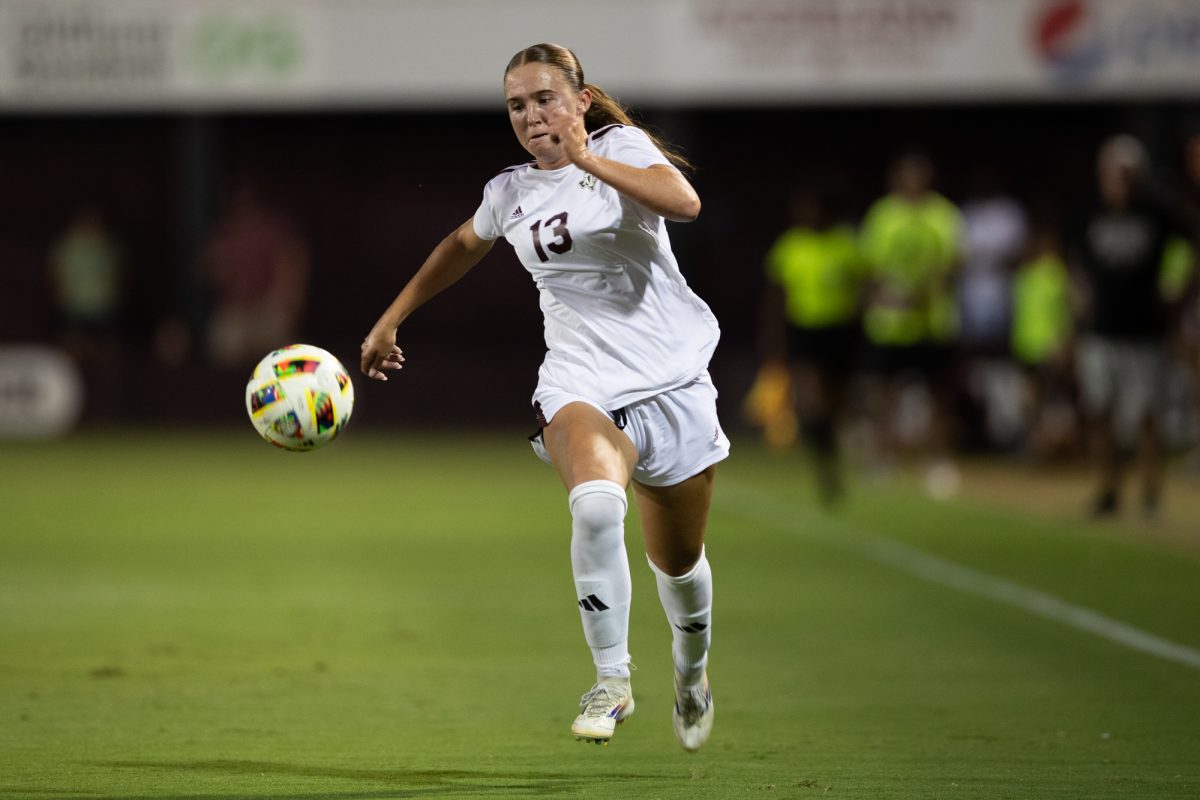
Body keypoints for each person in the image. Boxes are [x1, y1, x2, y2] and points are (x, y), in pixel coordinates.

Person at [360, 43, 725, 752]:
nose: (532, 116)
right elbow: (461, 244)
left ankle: (692, 671)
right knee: (593, 505)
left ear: (581, 101)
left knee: (678, 565)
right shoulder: (511, 191)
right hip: (580, 381)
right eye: (517, 106)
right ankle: (612, 680)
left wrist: (585, 159)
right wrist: (392, 317)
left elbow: (685, 203)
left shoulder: (621, 146)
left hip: (674, 381)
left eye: (545, 99)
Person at [1069, 135, 1197, 517]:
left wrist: (1179, 296)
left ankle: (1151, 492)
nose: (1118, 182)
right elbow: (1071, 256)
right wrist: (1079, 293)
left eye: (1126, 174)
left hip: (1144, 330)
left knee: (1145, 414)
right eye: (1112, 173)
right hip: (1100, 328)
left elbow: (1193, 245)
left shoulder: (1157, 211)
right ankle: (1109, 489)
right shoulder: (1089, 210)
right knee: (1100, 410)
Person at [858, 151, 965, 495]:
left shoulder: (943, 215)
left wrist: (923, 292)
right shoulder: (883, 215)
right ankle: (881, 458)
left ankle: (938, 460)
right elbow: (870, 269)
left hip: (933, 323)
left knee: (939, 396)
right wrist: (887, 297)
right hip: (890, 324)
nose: (912, 183)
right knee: (882, 394)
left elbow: (954, 264)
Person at [759, 188, 865, 503]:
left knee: (836, 402)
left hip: (840, 331)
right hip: (804, 330)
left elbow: (862, 286)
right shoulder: (791, 246)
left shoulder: (846, 245)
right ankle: (824, 461)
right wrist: (772, 333)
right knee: (811, 398)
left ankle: (830, 449)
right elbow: (777, 293)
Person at [201, 183, 309, 367]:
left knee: (280, 352)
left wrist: (286, 303)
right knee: (225, 342)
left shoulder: (273, 230)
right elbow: (210, 271)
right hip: (236, 310)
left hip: (268, 307)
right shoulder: (226, 232)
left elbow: (293, 266)